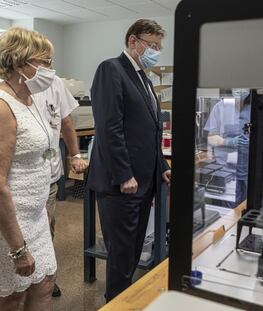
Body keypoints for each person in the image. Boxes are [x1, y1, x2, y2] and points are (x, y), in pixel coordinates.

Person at [87, 19, 171, 302]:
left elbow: (150, 132)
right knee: (121, 256)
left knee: (134, 252)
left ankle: (124, 302)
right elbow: (110, 128)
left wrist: (163, 167)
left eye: (159, 47)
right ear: (133, 41)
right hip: (121, 184)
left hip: (143, 182)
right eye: (152, 45)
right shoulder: (111, 69)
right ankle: (116, 304)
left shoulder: (144, 78)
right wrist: (124, 174)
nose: (156, 51)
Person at [0, 27, 57, 310]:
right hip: (10, 223)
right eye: (44, 62)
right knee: (12, 296)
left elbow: (36, 158)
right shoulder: (2, 106)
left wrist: (42, 205)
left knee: (45, 284)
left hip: (35, 216)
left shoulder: (29, 100)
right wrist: (18, 249)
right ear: (19, 62)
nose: (50, 69)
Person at [34, 75, 88, 297]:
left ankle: (45, 276)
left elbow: (65, 121)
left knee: (47, 228)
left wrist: (75, 154)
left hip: (48, 176)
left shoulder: (55, 83)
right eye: (42, 61)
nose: (47, 67)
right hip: (16, 179)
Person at [204, 89, 251, 207]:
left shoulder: (252, 109)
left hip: (247, 170)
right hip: (225, 170)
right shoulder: (221, 107)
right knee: (229, 211)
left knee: (246, 207)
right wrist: (228, 141)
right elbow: (210, 138)